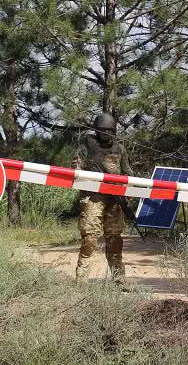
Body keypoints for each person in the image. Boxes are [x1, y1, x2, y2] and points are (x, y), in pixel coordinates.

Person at [72, 113, 133, 281]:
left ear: (114, 130)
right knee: (90, 237)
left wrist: (127, 195)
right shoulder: (87, 144)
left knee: (115, 240)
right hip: (93, 196)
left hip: (115, 199)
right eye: (102, 130)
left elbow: (128, 173)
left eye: (109, 130)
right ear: (96, 130)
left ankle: (118, 278)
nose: (106, 133)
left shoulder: (119, 148)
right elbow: (76, 167)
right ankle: (81, 278)